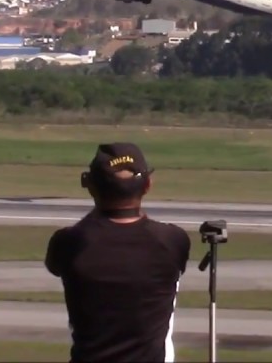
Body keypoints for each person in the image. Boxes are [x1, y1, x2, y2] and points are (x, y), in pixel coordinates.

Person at [45, 142, 192, 363]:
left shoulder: (69, 242)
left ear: (92, 186)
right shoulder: (172, 240)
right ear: (148, 185)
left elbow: (57, 262)